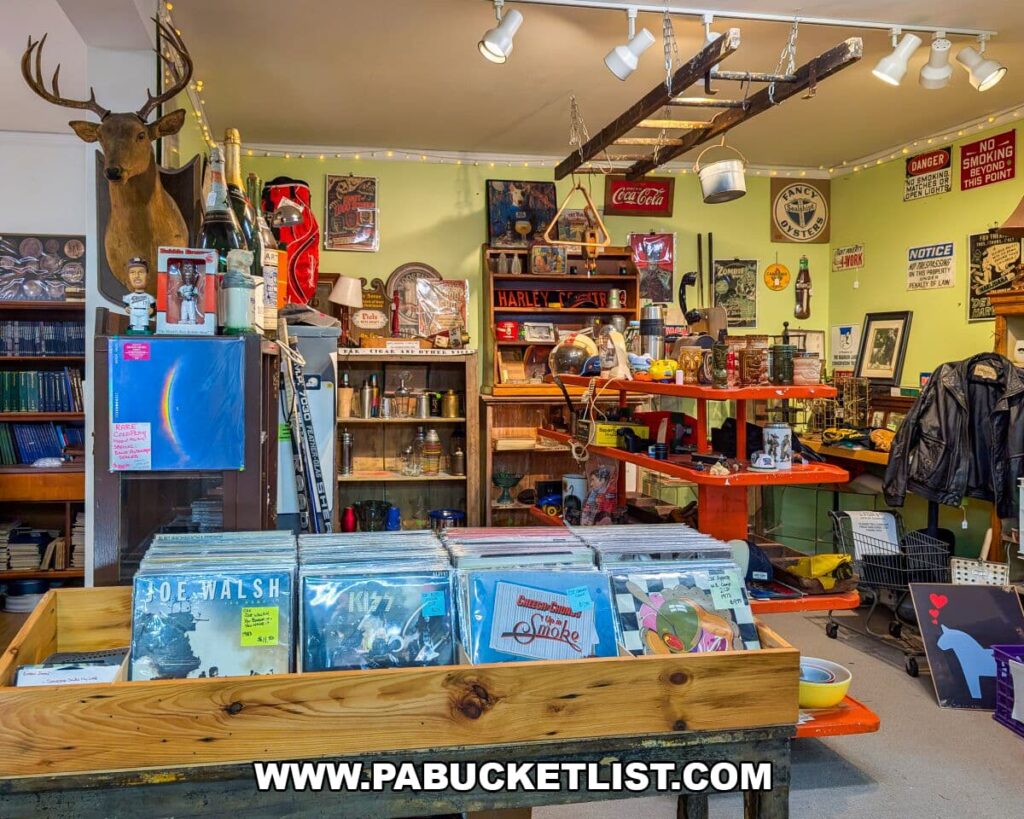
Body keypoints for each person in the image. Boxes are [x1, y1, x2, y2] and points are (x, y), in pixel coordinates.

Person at [123, 256, 155, 335]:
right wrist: (126, 307)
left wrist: (152, 309)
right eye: (132, 272)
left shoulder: (148, 296)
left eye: (141, 272)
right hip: (133, 311)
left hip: (144, 311)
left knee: (144, 323)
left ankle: (144, 328)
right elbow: (126, 302)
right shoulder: (129, 296)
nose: (137, 276)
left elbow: (152, 304)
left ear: (147, 275)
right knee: (133, 323)